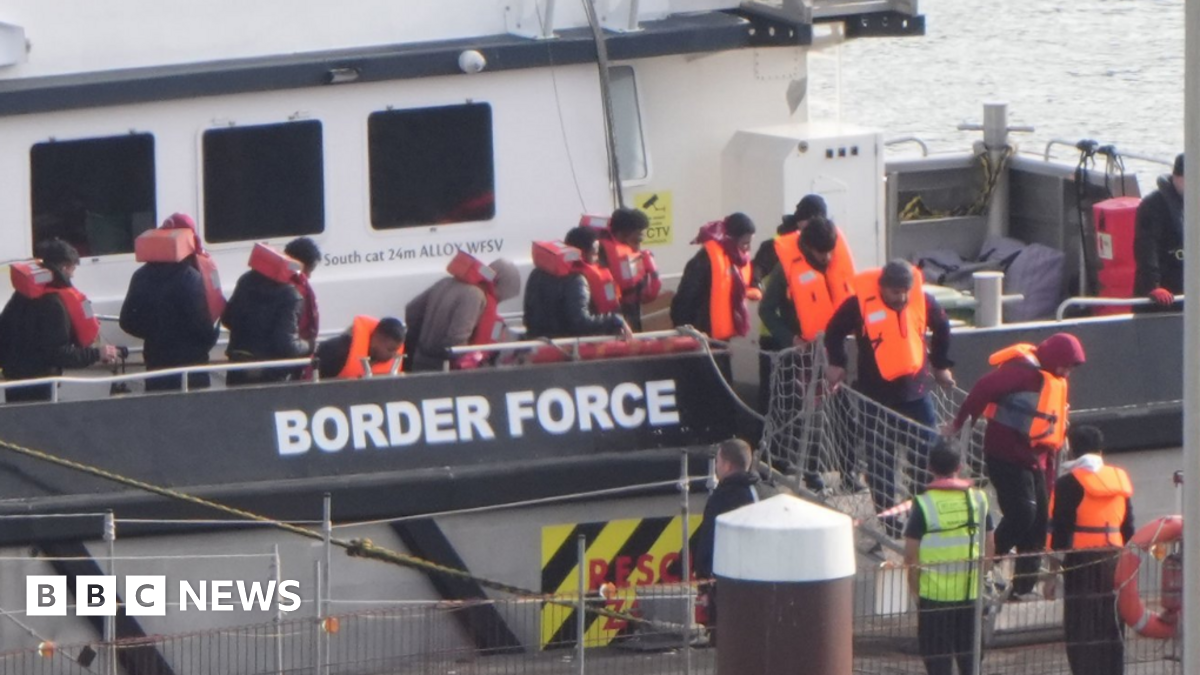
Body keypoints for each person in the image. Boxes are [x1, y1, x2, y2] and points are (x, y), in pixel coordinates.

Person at [948, 333, 1086, 598]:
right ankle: (984, 568)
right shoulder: (1020, 372)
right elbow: (983, 389)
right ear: (1054, 358)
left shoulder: (1053, 380)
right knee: (1022, 515)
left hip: (1036, 462)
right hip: (1005, 456)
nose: (1067, 372)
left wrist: (1046, 479)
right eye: (1066, 366)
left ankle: (1022, 589)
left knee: (1038, 524)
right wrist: (960, 422)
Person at [824, 260, 954, 535]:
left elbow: (943, 326)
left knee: (928, 455)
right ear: (882, 287)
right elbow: (834, 331)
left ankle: (923, 513)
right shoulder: (859, 304)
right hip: (876, 397)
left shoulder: (922, 301)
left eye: (905, 291)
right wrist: (837, 362)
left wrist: (940, 364)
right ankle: (888, 520)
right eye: (895, 292)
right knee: (881, 461)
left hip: (916, 395)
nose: (902, 297)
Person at [758, 216, 856, 490]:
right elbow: (766, 310)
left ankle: (849, 474)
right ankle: (811, 473)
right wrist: (792, 338)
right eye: (820, 252)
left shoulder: (838, 260)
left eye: (829, 251)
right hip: (806, 355)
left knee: (848, 415)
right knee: (812, 417)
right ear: (807, 247)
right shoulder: (785, 269)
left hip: (838, 350)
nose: (826, 257)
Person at [1048, 425, 1132, 675]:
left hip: (1080, 563)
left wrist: (1051, 576)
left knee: (1081, 628)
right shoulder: (1119, 478)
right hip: (1114, 561)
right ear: (1101, 448)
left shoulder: (1067, 483)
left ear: (1072, 449)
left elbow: (1059, 533)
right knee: (1112, 626)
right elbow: (1129, 527)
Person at [904, 441, 994, 675]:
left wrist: (915, 590)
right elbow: (990, 544)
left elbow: (911, 555)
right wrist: (982, 576)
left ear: (930, 468)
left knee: (937, 661)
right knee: (971, 660)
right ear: (960, 466)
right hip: (970, 594)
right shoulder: (979, 500)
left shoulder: (923, 504)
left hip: (934, 598)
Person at [0, 239, 119, 402]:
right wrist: (97, 353)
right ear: (64, 268)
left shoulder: (20, 296)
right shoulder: (53, 304)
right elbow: (58, 353)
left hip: (14, 380)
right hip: (41, 385)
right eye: (72, 268)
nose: (73, 274)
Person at [120, 216, 222, 391]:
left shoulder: (140, 276)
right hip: (191, 366)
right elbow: (203, 327)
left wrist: (156, 335)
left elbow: (127, 322)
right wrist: (210, 337)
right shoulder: (191, 277)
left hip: (155, 363)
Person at [691, 438, 762, 645]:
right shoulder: (765, 493)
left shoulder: (721, 499)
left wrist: (703, 583)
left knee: (728, 647)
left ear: (728, 465)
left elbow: (708, 542)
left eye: (718, 462)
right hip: (764, 586)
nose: (716, 468)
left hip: (728, 588)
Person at [405, 256, 521, 371]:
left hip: (419, 359)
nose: (499, 301)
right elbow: (456, 339)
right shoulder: (474, 295)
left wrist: (424, 339)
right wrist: (468, 365)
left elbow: (411, 311)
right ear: (499, 286)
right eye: (502, 296)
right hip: (444, 370)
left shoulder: (445, 282)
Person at [222, 246, 312, 386]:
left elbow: (227, 319)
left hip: (237, 365)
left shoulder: (246, 281)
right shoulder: (291, 296)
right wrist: (309, 345)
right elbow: (287, 344)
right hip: (270, 374)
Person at [524, 227, 632, 340]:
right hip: (565, 346)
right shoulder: (576, 280)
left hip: (537, 341)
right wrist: (615, 320)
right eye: (594, 254)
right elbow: (580, 322)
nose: (597, 259)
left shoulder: (537, 273)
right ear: (582, 254)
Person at [671, 213, 760, 340]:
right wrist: (686, 333)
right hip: (701, 337)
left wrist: (756, 287)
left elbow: (750, 279)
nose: (748, 248)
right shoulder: (704, 261)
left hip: (722, 338)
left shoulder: (736, 260)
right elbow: (684, 300)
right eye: (745, 243)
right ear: (731, 239)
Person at [1133, 153, 1184, 312]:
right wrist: (1153, 286)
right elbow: (1146, 247)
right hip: (1161, 294)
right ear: (1177, 177)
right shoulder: (1153, 206)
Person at [596, 208, 662, 331]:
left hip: (631, 311)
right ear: (621, 234)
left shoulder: (626, 251)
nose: (639, 247)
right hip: (613, 319)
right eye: (637, 240)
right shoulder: (601, 253)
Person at [752, 194, 828, 286]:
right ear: (801, 221)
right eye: (812, 221)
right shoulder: (774, 246)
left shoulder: (826, 243)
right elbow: (756, 274)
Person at [315, 316, 406, 379]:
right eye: (390, 350)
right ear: (378, 339)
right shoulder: (338, 350)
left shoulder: (393, 363)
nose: (394, 355)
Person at [285, 237, 322, 352]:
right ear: (300, 265)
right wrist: (308, 346)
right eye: (310, 269)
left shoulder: (274, 280)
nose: (309, 276)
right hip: (294, 353)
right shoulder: (294, 288)